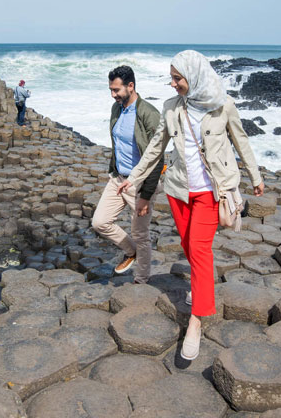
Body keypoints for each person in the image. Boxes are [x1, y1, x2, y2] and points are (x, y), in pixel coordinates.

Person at [117, 50, 264, 361]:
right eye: (172, 78)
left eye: (177, 78)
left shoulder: (222, 106)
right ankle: (198, 292)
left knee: (199, 249)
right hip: (179, 192)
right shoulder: (171, 108)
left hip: (211, 193)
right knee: (188, 246)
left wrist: (255, 175)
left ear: (194, 77)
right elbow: (157, 146)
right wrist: (135, 175)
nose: (173, 84)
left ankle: (196, 321)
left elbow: (242, 141)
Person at [91, 66, 164, 284]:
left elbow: (157, 158)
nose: (113, 95)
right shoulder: (117, 108)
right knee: (100, 222)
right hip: (118, 178)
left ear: (130, 86)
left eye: (116, 90)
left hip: (140, 184)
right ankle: (130, 251)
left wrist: (146, 195)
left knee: (141, 234)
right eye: (111, 90)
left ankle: (141, 279)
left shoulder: (149, 114)